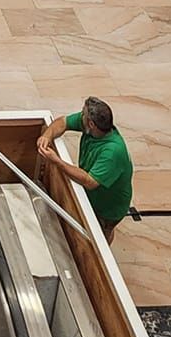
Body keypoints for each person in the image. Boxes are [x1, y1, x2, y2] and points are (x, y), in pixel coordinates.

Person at [37, 99, 134, 245]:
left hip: (108, 207)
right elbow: (63, 122)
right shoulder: (91, 126)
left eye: (83, 114)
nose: (80, 115)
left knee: (101, 234)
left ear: (91, 124)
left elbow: (89, 181)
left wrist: (57, 161)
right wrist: (47, 135)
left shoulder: (112, 152)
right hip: (93, 195)